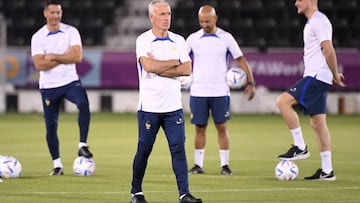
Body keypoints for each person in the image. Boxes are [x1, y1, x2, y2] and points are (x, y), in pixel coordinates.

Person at [130, 1, 202, 203]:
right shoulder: (143, 40)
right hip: (149, 107)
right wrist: (173, 63)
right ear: (152, 17)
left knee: (178, 149)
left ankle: (184, 195)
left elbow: (187, 69)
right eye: (162, 14)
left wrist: (159, 67)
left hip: (173, 108)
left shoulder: (178, 40)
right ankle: (136, 192)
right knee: (144, 150)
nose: (166, 17)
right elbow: (148, 66)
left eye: (168, 13)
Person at [277, 0, 346, 180]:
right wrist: (333, 74)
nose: (296, 3)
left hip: (316, 76)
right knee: (318, 124)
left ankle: (300, 147)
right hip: (320, 75)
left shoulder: (318, 20)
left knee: (283, 102)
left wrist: (335, 75)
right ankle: (327, 170)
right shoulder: (313, 22)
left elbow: (329, 50)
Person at [186, 5, 256, 175]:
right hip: (198, 91)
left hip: (220, 91)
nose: (204, 24)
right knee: (199, 128)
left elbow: (241, 59)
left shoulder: (226, 38)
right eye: (201, 21)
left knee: (221, 127)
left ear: (215, 19)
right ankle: (198, 165)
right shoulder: (193, 39)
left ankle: (224, 165)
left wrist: (251, 81)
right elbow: (181, 60)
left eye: (207, 21)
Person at [31, 0, 93, 176]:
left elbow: (78, 57)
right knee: (51, 126)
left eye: (58, 12)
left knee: (83, 103)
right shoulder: (38, 37)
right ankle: (57, 165)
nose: (55, 16)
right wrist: (65, 56)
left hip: (70, 81)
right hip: (49, 86)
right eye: (52, 12)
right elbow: (39, 64)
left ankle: (82, 145)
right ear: (45, 13)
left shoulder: (71, 31)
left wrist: (51, 56)